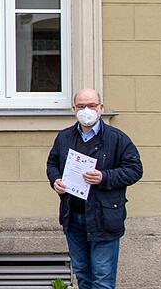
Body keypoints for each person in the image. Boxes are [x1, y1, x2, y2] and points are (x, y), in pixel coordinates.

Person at [46, 89, 143, 289]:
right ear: (74, 109)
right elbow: (52, 164)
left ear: (101, 108)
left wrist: (104, 177)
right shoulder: (64, 137)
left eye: (91, 105)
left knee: (103, 278)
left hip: (104, 218)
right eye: (81, 106)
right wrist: (56, 180)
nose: (86, 110)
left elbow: (134, 170)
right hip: (73, 217)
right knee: (83, 275)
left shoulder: (117, 138)